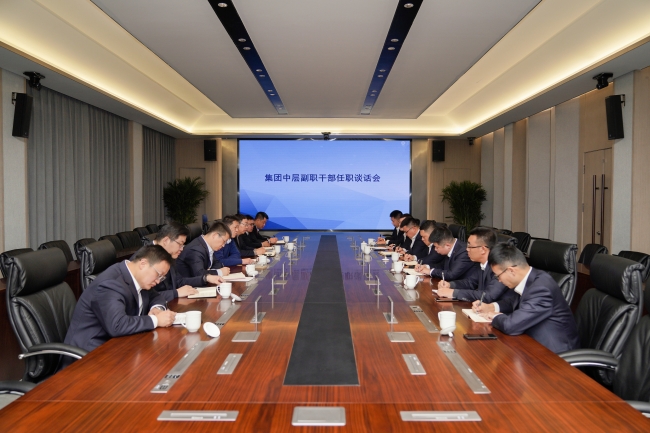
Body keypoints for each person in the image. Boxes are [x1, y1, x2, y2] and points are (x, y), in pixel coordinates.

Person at [64, 245, 177, 354]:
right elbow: (117, 325)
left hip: (120, 345)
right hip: (91, 353)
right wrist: (155, 320)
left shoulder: (138, 278)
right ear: (143, 264)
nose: (158, 281)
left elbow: (156, 296)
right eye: (158, 275)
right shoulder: (110, 284)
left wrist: (157, 308)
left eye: (162, 278)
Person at [476, 243, 580, 354]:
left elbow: (510, 325)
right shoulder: (532, 278)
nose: (499, 280)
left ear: (511, 271)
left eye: (498, 276)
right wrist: (492, 307)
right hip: (532, 344)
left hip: (554, 355)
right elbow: (514, 302)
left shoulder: (541, 288)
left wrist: (495, 316)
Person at [437, 227, 517, 310]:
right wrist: (450, 285)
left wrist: (454, 293)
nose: (467, 249)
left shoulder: (500, 266)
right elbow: (470, 282)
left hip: (501, 313)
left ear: (483, 249)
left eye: (470, 246)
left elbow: (488, 296)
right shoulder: (481, 263)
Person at [144, 223, 224, 302]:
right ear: (166, 240)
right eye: (180, 244)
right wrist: (176, 293)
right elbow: (146, 296)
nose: (182, 249)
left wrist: (205, 278)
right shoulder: (145, 258)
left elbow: (179, 281)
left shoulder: (169, 254)